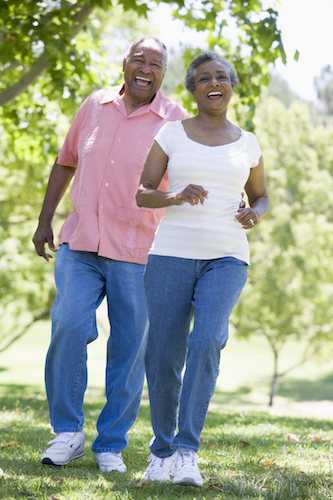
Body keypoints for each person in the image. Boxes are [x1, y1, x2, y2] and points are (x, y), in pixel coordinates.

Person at [32, 36, 189, 472]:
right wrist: (44, 220)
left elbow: (184, 186)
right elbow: (66, 162)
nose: (146, 68)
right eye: (139, 59)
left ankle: (110, 444)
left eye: (156, 63)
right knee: (67, 324)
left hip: (139, 251)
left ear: (163, 73)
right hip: (80, 241)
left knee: (130, 348)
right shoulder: (95, 105)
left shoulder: (175, 120)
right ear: (124, 63)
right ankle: (67, 432)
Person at [136, 51, 269, 487]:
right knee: (162, 355)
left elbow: (261, 195)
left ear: (231, 86)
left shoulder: (247, 141)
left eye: (223, 77)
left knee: (209, 338)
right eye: (205, 78)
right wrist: (175, 196)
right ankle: (162, 453)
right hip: (171, 252)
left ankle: (187, 450)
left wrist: (256, 214)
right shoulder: (171, 134)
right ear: (192, 89)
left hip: (228, 255)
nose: (215, 83)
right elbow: (142, 193)